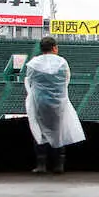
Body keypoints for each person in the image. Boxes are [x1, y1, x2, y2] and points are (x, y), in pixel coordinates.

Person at [25, 36, 85, 174]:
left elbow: (30, 81)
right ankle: (59, 165)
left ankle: (41, 165)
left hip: (39, 103)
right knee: (59, 132)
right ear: (54, 48)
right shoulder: (62, 62)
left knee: (39, 132)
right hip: (59, 103)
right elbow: (66, 80)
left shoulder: (33, 63)